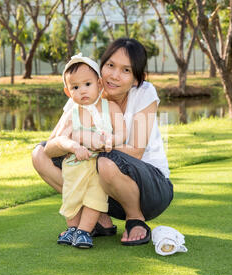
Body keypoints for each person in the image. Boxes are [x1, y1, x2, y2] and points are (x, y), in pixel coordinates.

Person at [32, 38, 174, 246]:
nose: (115, 75)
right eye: (110, 65)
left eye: (126, 70)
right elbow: (52, 147)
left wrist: (95, 143)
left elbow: (135, 151)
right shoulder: (84, 91)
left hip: (150, 189)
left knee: (106, 161)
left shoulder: (144, 92)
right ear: (101, 67)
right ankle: (99, 219)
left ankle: (135, 219)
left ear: (137, 78)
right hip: (106, 191)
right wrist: (73, 143)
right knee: (39, 154)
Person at [54, 54, 126, 248]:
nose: (82, 91)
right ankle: (73, 229)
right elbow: (59, 138)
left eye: (87, 84)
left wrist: (112, 140)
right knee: (72, 197)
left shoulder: (110, 107)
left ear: (100, 84)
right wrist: (73, 146)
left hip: (97, 165)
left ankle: (84, 231)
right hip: (74, 165)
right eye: (75, 87)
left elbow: (122, 133)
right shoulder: (72, 113)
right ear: (68, 92)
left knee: (95, 198)